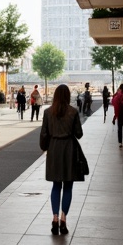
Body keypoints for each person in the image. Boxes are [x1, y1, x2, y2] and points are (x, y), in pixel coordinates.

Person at [39, 84, 85, 235]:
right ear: (67, 96)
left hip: (54, 149)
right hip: (69, 149)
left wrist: (45, 147)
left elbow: (44, 134)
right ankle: (64, 219)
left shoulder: (47, 112)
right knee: (68, 186)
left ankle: (54, 218)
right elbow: (79, 134)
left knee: (56, 185)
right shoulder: (73, 112)